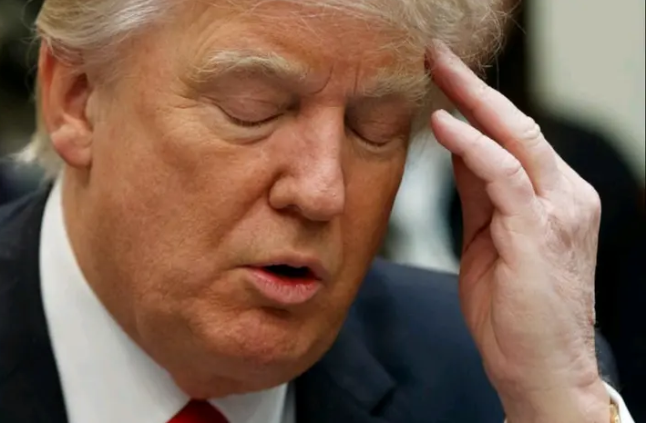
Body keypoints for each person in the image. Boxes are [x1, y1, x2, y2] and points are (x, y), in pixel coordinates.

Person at [0, 0, 635, 422]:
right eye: (253, 110)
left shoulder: (490, 385)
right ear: (77, 100)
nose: (323, 190)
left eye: (373, 129)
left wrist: (562, 404)